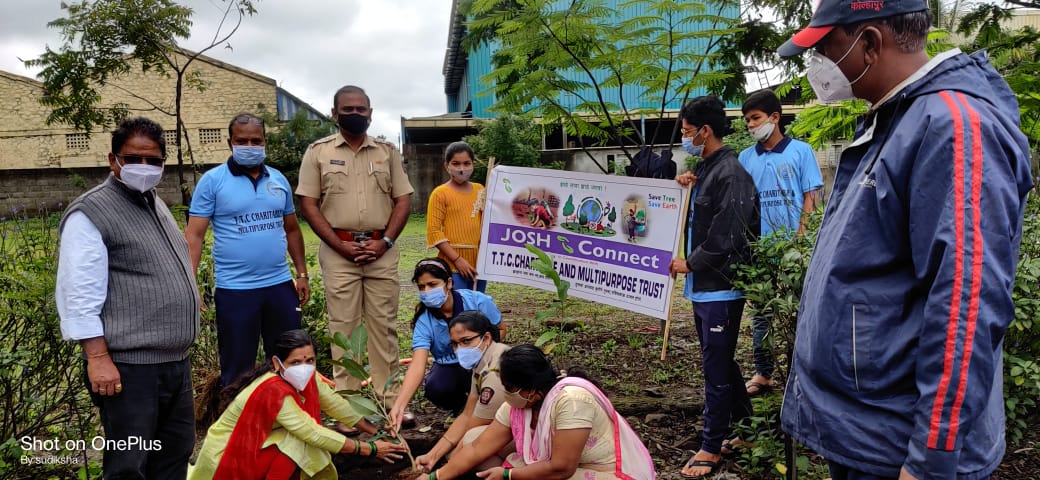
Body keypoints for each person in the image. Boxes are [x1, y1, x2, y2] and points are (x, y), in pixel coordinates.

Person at [776, 1, 1034, 478]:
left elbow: (967, 302)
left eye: (827, 49)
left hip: (901, 447)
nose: (818, 67)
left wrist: (930, 457)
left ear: (870, 43)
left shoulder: (953, 127)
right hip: (869, 431)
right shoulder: (896, 119)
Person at [56, 117, 199, 479]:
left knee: (174, 456)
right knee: (128, 466)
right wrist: (98, 357)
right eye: (134, 159)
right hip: (128, 368)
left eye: (154, 161)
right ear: (112, 160)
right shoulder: (92, 212)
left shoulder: (155, 203)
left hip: (173, 362)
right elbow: (79, 291)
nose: (144, 168)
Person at [296, 85, 414, 426]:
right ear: (334, 114)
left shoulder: (387, 152)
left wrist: (386, 242)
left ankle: (389, 404)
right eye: (348, 109)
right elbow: (308, 204)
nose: (356, 114)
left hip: (382, 251)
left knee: (384, 328)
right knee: (343, 330)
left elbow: (403, 200)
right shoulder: (317, 152)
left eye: (362, 109)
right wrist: (339, 245)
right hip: (339, 253)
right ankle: (349, 411)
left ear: (371, 113)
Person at [668, 96, 760, 478]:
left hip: (721, 287)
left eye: (688, 132)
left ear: (705, 131)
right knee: (719, 360)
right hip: (704, 287)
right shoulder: (709, 169)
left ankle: (711, 445)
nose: (686, 138)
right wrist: (685, 183)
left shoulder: (732, 174)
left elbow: (727, 237)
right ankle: (747, 427)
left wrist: (690, 263)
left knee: (715, 366)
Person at [186, 113, 311, 388]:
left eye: (256, 140)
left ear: (265, 141)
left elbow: (291, 229)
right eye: (242, 140)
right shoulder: (213, 181)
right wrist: (189, 283)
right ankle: (240, 423)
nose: (250, 146)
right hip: (235, 290)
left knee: (289, 361)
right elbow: (194, 235)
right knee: (237, 366)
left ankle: (286, 420)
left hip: (279, 286)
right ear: (230, 142)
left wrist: (302, 273)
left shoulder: (277, 179)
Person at [190, 329, 408, 479]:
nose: (304, 367)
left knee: (299, 441)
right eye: (295, 362)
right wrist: (368, 449)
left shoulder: (308, 379)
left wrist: (376, 431)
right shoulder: (272, 390)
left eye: (309, 361)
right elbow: (311, 432)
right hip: (229, 457)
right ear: (277, 363)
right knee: (297, 442)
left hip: (256, 449)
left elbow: (336, 405)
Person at [419, 345, 655, 480]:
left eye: (509, 388)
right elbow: (477, 447)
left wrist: (508, 476)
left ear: (531, 390)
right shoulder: (518, 405)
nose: (506, 394)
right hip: (558, 466)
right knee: (473, 438)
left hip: (601, 472)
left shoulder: (572, 402)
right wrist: (434, 478)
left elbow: (562, 467)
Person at [737, 89, 824, 396]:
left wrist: (800, 241)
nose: (750, 125)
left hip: (794, 251)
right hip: (760, 250)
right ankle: (763, 373)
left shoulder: (801, 152)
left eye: (756, 118)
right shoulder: (745, 159)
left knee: (798, 311)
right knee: (762, 314)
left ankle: (801, 372)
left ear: (775, 118)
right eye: (747, 120)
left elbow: (810, 196)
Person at [389, 258, 505, 430]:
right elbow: (417, 365)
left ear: (449, 283)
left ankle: (493, 409)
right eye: (422, 287)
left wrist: (483, 352)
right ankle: (461, 409)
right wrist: (399, 406)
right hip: (451, 367)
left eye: (432, 284)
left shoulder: (477, 301)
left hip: (483, 361)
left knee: (495, 379)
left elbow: (501, 329)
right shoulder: (424, 321)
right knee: (437, 386)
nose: (427, 291)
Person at [413, 311, 512, 475]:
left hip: (531, 436)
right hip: (515, 430)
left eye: (466, 341)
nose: (460, 349)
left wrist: (441, 472)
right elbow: (467, 414)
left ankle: (513, 471)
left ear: (486, 338)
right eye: (455, 344)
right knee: (458, 451)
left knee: (470, 441)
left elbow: (474, 425)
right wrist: (433, 455)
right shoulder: (483, 360)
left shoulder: (495, 372)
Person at [427, 141, 487, 292]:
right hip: (452, 265)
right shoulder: (440, 193)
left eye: (467, 163)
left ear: (473, 164)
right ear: (446, 166)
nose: (462, 168)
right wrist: (457, 260)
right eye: (456, 163)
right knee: (457, 309)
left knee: (475, 309)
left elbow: (488, 224)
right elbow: (434, 232)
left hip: (479, 264)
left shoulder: (480, 190)